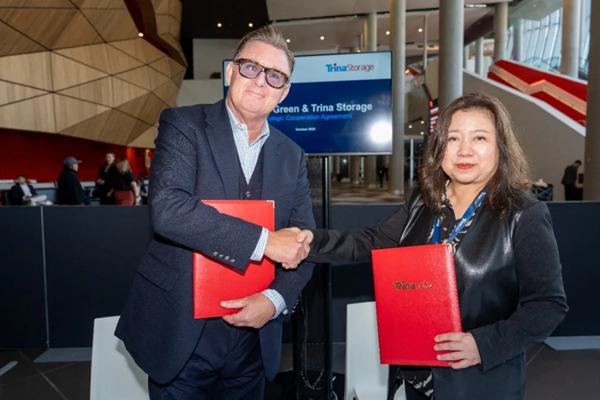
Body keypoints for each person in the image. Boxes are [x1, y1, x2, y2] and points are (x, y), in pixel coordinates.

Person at [290, 93, 568, 399]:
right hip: (415, 378)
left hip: (478, 382)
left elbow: (548, 305)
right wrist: (309, 242)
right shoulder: (423, 202)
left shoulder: (523, 214)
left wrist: (483, 344)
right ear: (440, 148)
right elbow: (369, 242)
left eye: (479, 138)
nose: (464, 150)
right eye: (453, 138)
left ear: (500, 147)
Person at [115, 26, 315, 400]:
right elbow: (170, 210)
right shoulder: (183, 125)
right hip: (182, 332)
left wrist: (273, 302)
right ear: (231, 71)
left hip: (254, 341)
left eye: (275, 76)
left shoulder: (292, 155)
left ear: (285, 92)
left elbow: (304, 245)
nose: (261, 82)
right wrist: (266, 242)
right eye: (251, 67)